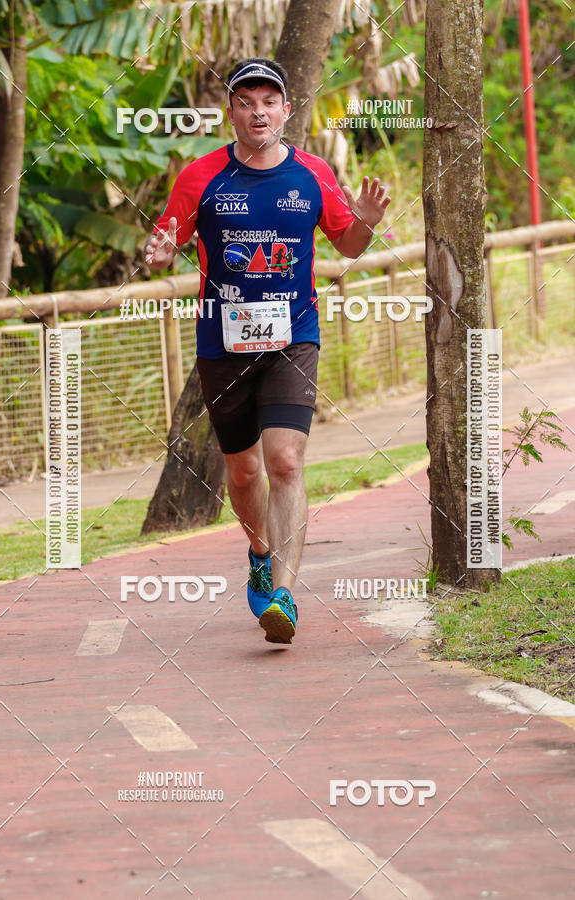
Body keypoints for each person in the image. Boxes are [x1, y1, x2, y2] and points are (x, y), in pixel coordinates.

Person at [145, 58, 390, 645]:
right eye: (246, 101)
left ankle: (282, 593)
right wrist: (157, 254)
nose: (259, 112)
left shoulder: (312, 172)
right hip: (222, 340)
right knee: (244, 467)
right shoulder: (200, 177)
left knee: (284, 461)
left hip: (293, 335)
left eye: (269, 101)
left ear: (286, 109)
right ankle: (259, 550)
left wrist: (369, 221)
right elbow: (166, 241)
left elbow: (349, 244)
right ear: (231, 112)